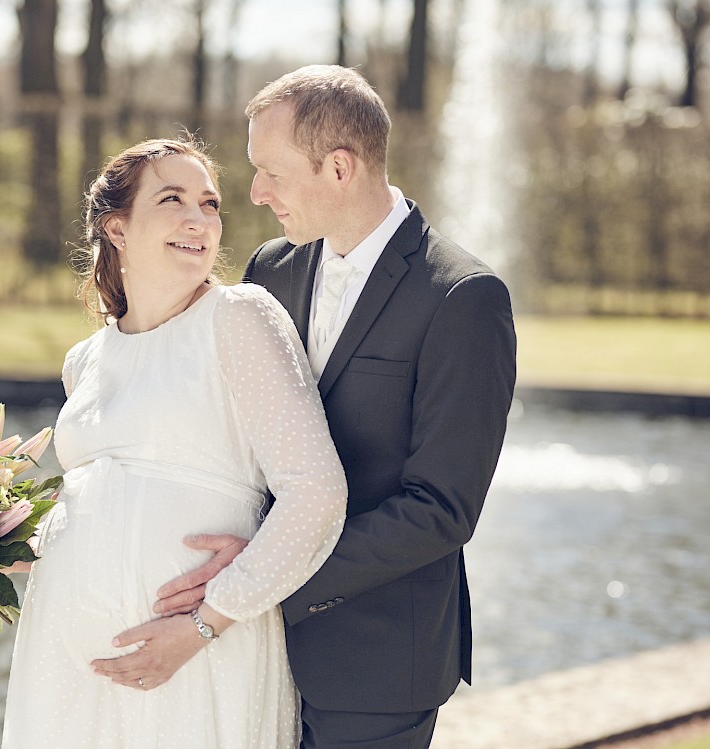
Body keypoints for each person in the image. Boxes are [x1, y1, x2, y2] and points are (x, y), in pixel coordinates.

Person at [96, 66, 517, 748]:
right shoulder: (271, 268)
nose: (255, 194)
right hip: (246, 647)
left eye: (272, 172)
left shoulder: (462, 298)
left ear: (340, 167)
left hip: (375, 659)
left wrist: (263, 571)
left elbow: (442, 508)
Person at [0, 138, 347, 748]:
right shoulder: (84, 361)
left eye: (209, 204)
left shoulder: (239, 317)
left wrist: (204, 626)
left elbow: (316, 492)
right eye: (172, 199)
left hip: (198, 657)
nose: (199, 219)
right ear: (117, 227)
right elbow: (93, 507)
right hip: (65, 662)